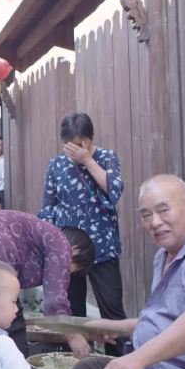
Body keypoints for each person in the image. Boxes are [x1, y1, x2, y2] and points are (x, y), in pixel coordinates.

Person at [78, 174, 185, 369]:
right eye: (146, 215)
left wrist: (137, 359)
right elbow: (164, 321)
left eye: (163, 210)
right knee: (86, 368)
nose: (154, 222)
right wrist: (116, 327)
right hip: (154, 365)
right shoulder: (164, 255)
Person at [37, 112, 127, 356]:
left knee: (112, 309)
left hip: (102, 247)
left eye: (81, 144)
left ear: (91, 138)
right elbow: (48, 207)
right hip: (70, 250)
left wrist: (88, 160)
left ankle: (118, 363)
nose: (75, 150)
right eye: (70, 145)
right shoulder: (56, 165)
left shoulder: (106, 158)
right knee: (73, 310)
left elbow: (114, 190)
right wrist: (50, 244)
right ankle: (76, 362)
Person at [0, 209, 95, 358]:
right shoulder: (61, 244)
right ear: (75, 251)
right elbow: (55, 302)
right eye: (73, 271)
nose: (68, 275)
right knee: (13, 322)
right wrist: (73, 336)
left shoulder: (43, 235)